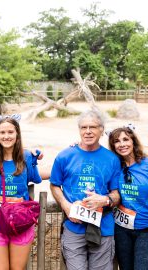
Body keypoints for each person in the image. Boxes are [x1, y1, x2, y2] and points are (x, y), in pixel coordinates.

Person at [50, 110, 121, 270]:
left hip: (103, 228)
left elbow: (116, 194)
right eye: (83, 127)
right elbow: (54, 185)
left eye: (93, 127)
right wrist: (65, 205)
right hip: (74, 227)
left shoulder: (112, 159)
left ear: (101, 129)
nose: (88, 131)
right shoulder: (65, 156)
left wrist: (104, 200)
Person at [0, 115, 42, 270]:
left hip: (21, 222)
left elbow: (36, 177)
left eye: (10, 132)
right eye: (2, 132)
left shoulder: (27, 157)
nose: (6, 136)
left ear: (17, 134)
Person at [108, 125, 148, 270]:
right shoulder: (115, 166)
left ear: (133, 141)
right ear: (113, 146)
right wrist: (76, 145)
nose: (122, 144)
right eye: (117, 141)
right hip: (122, 229)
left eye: (126, 139)